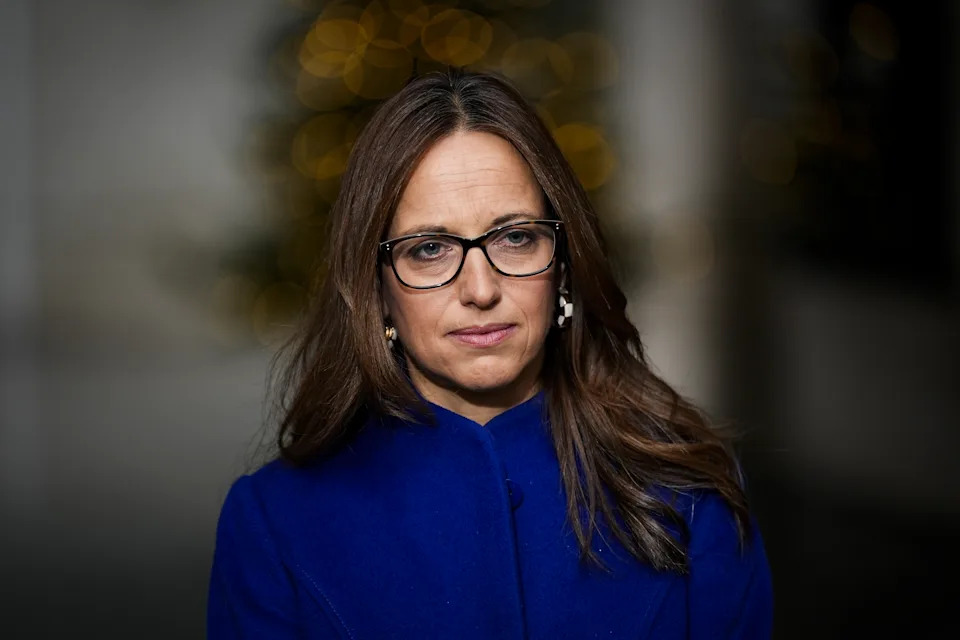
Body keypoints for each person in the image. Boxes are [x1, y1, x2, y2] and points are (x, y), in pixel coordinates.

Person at [207, 68, 773, 639]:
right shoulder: (277, 523)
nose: (480, 289)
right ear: (374, 288)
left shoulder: (690, 492)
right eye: (429, 248)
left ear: (563, 264)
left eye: (516, 237)